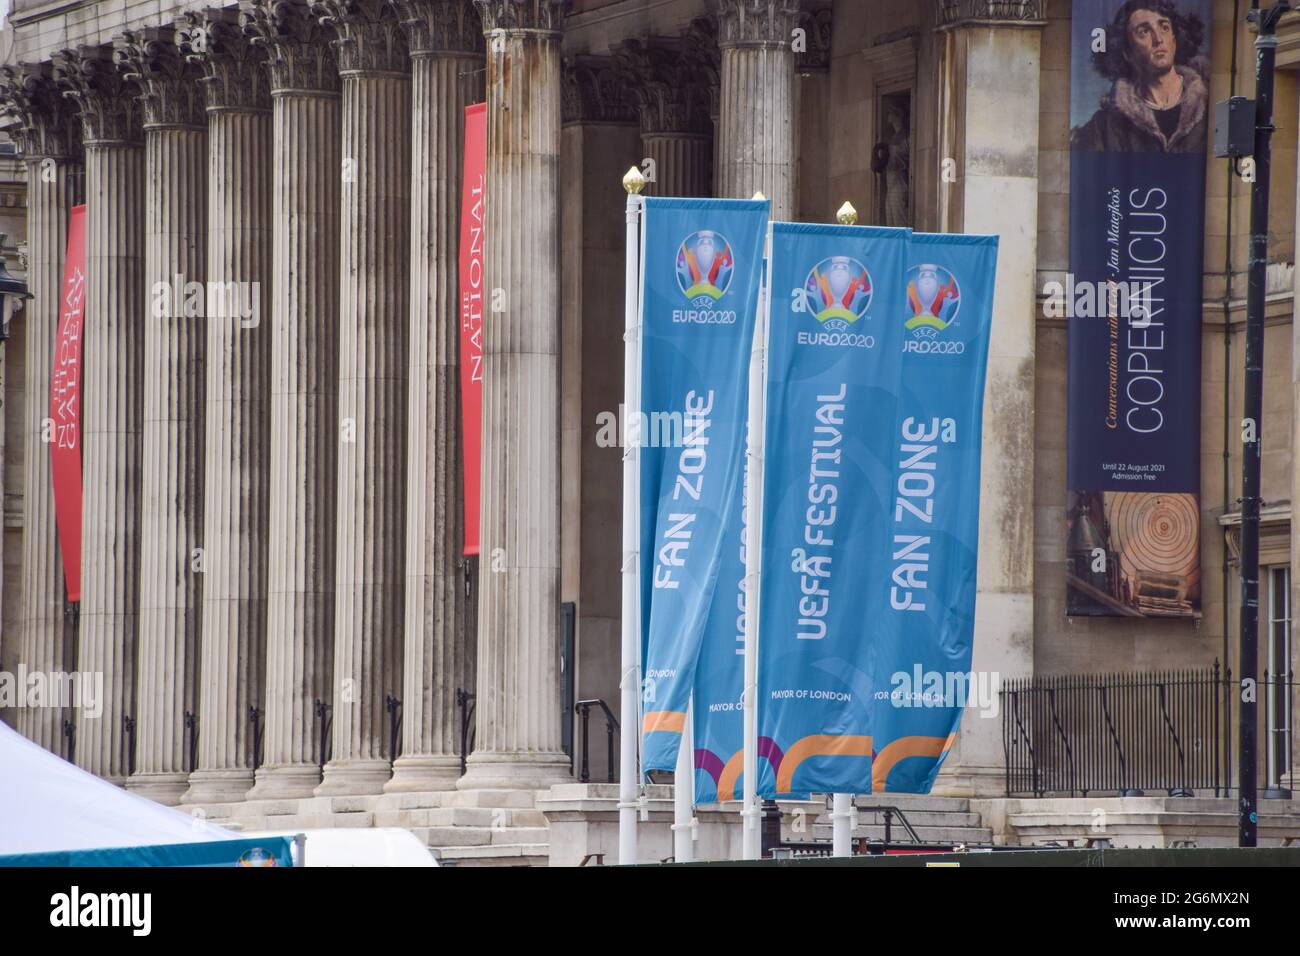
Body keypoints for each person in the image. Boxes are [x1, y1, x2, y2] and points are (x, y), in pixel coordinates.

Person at [1071, 0, 1208, 154]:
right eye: (1144, 31)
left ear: (1175, 40)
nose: (1158, 39)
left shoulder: (1208, 108)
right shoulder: (1103, 127)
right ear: (1127, 52)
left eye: (1164, 27)